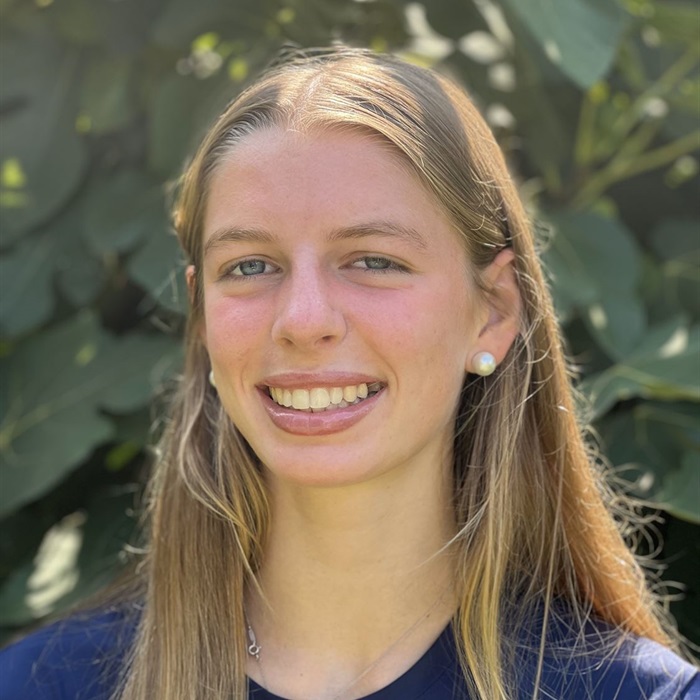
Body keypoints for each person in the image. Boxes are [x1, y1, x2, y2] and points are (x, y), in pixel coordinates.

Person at [1, 47, 698, 700]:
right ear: (203, 317)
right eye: (249, 266)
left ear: (492, 311)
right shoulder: (42, 686)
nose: (304, 320)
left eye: (374, 260)